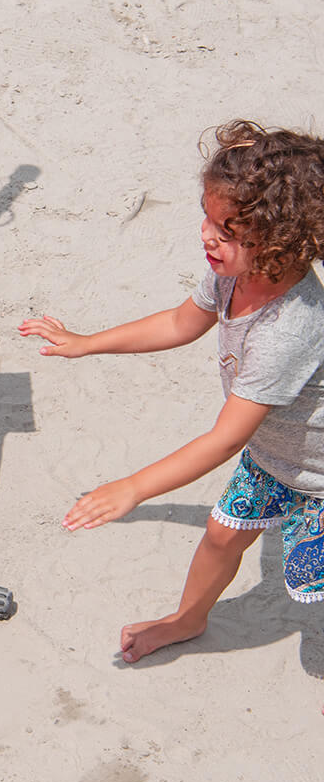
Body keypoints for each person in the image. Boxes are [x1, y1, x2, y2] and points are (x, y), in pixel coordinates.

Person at [20, 120, 324, 667]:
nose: (207, 235)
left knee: (313, 584)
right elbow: (183, 322)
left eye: (227, 230)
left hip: (319, 477)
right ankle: (188, 619)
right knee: (221, 534)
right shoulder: (233, 274)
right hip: (275, 458)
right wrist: (88, 344)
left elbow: (225, 439)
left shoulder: (289, 329)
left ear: (278, 244)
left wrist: (135, 487)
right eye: (208, 217)